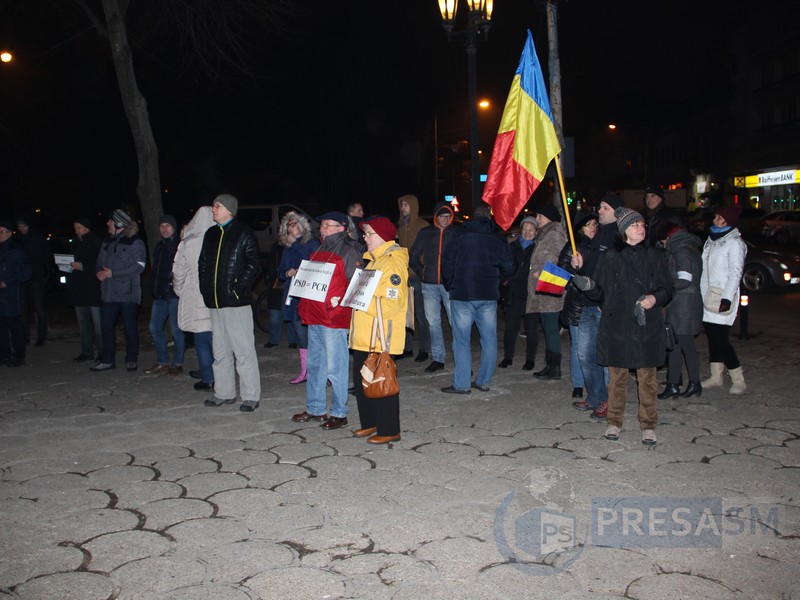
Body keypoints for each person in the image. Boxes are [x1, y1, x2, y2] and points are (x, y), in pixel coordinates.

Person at [572, 207, 673, 445]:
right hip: (617, 325)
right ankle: (614, 422)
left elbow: (668, 287)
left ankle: (648, 426)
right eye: (635, 225)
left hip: (646, 324)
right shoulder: (611, 257)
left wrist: (654, 298)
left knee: (647, 379)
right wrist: (585, 280)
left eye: (641, 224)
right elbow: (601, 293)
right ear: (624, 230)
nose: (641, 228)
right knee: (616, 379)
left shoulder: (656, 255)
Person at [292, 211, 363, 429]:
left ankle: (340, 412)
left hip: (333, 318)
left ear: (341, 227)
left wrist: (339, 301)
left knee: (336, 366)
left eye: (326, 225)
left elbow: (357, 284)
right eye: (321, 225)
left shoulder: (349, 251)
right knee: (315, 365)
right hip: (315, 315)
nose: (321, 228)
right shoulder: (320, 248)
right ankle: (316, 408)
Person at [440, 203, 515, 394]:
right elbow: (509, 267)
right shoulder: (498, 239)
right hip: (488, 294)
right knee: (489, 339)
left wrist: (450, 284)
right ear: (489, 217)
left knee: (462, 340)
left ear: (473, 217)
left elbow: (447, 263)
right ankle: (483, 381)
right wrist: (497, 280)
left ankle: (462, 384)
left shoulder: (459, 235)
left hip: (463, 293)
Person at [198, 194, 263, 411]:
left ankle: (251, 396)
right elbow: (203, 264)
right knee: (220, 351)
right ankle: (224, 393)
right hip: (215, 302)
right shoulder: (211, 234)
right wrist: (206, 288)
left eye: (216, 206)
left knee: (243, 350)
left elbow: (254, 265)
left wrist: (236, 289)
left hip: (235, 303)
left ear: (229, 209)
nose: (213, 210)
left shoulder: (243, 233)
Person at [349, 217, 408, 444]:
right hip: (365, 334)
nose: (365, 237)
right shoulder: (373, 261)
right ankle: (371, 423)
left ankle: (389, 429)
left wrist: (361, 301)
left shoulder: (391, 263)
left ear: (382, 236)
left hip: (380, 334)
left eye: (368, 233)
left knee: (382, 380)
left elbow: (392, 300)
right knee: (362, 379)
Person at [568, 194, 623, 420]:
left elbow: (619, 275)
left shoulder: (619, 237)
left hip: (603, 307)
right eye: (600, 206)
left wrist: (608, 300)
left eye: (604, 207)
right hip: (586, 303)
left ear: (616, 212)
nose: (599, 211)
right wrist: (579, 264)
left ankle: (611, 402)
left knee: (606, 358)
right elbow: (591, 269)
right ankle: (596, 396)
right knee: (584, 356)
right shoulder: (598, 234)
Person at [91, 209, 147, 372]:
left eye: (110, 221)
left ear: (118, 223)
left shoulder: (135, 241)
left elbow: (139, 266)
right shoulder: (107, 242)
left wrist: (113, 273)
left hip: (128, 294)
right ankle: (108, 359)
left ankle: (131, 358)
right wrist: (99, 273)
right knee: (106, 326)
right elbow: (99, 261)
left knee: (129, 327)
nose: (107, 224)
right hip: (108, 293)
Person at [700, 205, 747, 395]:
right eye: (716, 216)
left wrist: (727, 297)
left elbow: (736, 272)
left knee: (721, 339)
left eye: (719, 217)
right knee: (712, 337)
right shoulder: (711, 240)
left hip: (722, 296)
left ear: (728, 222)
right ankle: (716, 376)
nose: (715, 220)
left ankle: (738, 379)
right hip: (708, 295)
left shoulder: (735, 242)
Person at [409, 202, 457, 373]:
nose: (445, 219)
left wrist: (456, 275)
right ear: (436, 216)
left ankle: (461, 359)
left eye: (448, 216)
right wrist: (422, 271)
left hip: (450, 285)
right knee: (433, 323)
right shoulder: (426, 233)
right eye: (442, 216)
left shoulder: (457, 233)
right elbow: (413, 255)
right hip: (429, 285)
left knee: (455, 322)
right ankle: (438, 358)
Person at [657, 223, 704, 399]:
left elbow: (685, 279)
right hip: (680, 304)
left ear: (669, 238)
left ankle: (693, 383)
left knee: (685, 345)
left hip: (684, 305)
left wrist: (664, 289)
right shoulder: (684, 249)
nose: (663, 244)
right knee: (675, 346)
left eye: (663, 241)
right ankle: (674, 384)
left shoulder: (683, 251)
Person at [172, 207, 216, 392]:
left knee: (201, 341)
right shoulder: (216, 240)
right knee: (216, 341)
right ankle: (219, 375)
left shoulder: (188, 244)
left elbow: (178, 272)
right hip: (214, 297)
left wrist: (180, 291)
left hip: (195, 297)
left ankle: (208, 378)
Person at [277, 211, 320, 384]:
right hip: (292, 295)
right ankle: (305, 371)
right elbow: (280, 271)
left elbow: (314, 265)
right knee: (300, 335)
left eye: (294, 224)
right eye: (288, 225)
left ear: (302, 226)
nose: (291, 227)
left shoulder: (311, 244)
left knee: (313, 335)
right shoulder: (288, 248)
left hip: (308, 296)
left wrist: (295, 245)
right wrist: (287, 272)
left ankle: (318, 372)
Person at [558, 213, 598, 400]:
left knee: (593, 346)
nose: (593, 227)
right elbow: (562, 271)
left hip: (597, 302)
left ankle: (596, 384)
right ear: (581, 228)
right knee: (578, 346)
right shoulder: (573, 246)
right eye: (588, 224)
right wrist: (576, 278)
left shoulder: (601, 245)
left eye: (595, 224)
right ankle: (578, 383)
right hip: (577, 302)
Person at [527, 204, 568, 380]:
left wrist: (541, 271)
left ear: (549, 217)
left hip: (550, 287)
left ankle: (555, 368)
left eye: (540, 216)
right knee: (547, 327)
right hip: (543, 288)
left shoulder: (554, 233)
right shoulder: (545, 233)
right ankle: (549, 365)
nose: (537, 219)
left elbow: (561, 257)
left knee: (551, 328)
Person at [143, 215, 185, 376]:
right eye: (162, 226)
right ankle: (163, 361)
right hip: (160, 294)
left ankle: (178, 363)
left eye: (168, 226)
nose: (164, 229)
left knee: (176, 329)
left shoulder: (179, 246)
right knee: (154, 327)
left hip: (173, 293)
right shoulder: (159, 246)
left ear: (174, 228)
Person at [499, 215, 539, 370]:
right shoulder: (512, 246)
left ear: (536, 232)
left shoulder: (538, 248)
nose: (527, 233)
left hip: (531, 294)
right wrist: (505, 281)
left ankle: (530, 359)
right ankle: (508, 357)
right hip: (514, 293)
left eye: (531, 230)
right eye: (525, 229)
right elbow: (503, 265)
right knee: (510, 328)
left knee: (531, 329)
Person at [396, 193, 430, 362]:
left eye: (405, 205)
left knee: (420, 314)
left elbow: (425, 251)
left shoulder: (422, 226)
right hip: (403, 275)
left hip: (417, 275)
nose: (403, 208)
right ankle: (406, 347)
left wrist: (421, 268)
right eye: (401, 206)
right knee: (404, 313)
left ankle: (424, 348)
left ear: (413, 206)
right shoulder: (402, 226)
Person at [68, 217, 103, 362]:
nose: (77, 231)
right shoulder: (75, 243)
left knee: (98, 324)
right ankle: (86, 351)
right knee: (83, 324)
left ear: (87, 228)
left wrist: (82, 266)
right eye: (75, 228)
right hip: (79, 288)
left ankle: (102, 352)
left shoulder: (95, 242)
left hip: (93, 288)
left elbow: (99, 265)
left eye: (80, 228)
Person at [15, 215, 53, 346]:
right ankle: (24, 335)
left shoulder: (37, 238)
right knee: (22, 308)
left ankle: (41, 335)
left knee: (39, 307)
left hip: (37, 277)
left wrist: (45, 271)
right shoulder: (18, 240)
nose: (22, 229)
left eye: (24, 226)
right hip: (22, 279)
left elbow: (47, 255)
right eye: (19, 227)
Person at [0, 220, 32, 367]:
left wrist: (8, 281)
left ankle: (19, 356)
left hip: (12, 294)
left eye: (2, 232)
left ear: (9, 233)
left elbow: (25, 272)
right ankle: (4, 355)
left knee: (14, 326)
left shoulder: (16, 249)